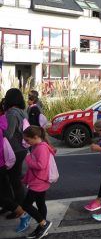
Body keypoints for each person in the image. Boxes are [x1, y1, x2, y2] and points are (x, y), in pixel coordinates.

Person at [21, 126, 56, 239]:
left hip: (39, 181)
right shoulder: (37, 146)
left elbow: (41, 165)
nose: (26, 142)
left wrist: (28, 159)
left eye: (27, 140)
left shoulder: (41, 148)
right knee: (40, 203)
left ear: (36, 137)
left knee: (26, 205)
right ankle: (41, 229)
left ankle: (44, 223)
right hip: (40, 180)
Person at [3, 88, 29, 225]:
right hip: (20, 149)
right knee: (11, 179)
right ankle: (11, 205)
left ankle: (19, 208)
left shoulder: (12, 113)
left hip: (14, 151)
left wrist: (1, 129)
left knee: (14, 180)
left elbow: (9, 133)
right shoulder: (22, 111)